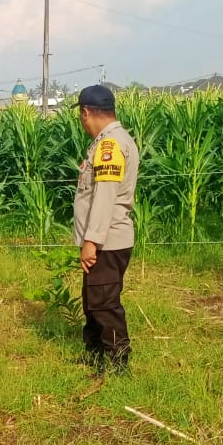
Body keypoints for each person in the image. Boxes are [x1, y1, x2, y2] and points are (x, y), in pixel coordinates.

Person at [72, 84, 139, 373]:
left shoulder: (110, 145)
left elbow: (105, 196)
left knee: (104, 303)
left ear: (86, 112)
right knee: (93, 300)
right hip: (105, 239)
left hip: (107, 241)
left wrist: (92, 241)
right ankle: (95, 354)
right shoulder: (110, 141)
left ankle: (117, 361)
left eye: (80, 115)